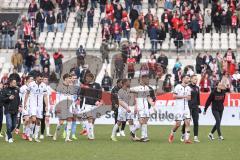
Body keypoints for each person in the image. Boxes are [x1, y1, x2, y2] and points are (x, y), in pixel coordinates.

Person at [130, 75, 156, 142]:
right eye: (147, 79)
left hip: (146, 107)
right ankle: (133, 132)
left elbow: (148, 97)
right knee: (141, 121)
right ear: (142, 79)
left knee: (145, 121)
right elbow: (134, 97)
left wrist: (152, 104)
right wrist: (135, 107)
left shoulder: (147, 88)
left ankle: (144, 136)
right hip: (140, 107)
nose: (148, 80)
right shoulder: (137, 88)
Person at [24, 73, 49, 142]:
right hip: (33, 105)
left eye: (42, 79)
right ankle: (29, 135)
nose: (41, 80)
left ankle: (35, 136)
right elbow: (27, 93)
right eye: (40, 79)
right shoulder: (31, 84)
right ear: (36, 78)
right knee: (33, 119)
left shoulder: (44, 85)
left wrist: (47, 105)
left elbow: (45, 96)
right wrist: (25, 103)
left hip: (40, 106)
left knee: (38, 122)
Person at [168, 74, 192, 144]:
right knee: (178, 124)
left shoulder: (188, 88)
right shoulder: (178, 86)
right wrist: (183, 96)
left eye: (189, 78)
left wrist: (188, 97)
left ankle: (187, 139)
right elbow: (174, 96)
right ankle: (172, 134)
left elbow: (189, 97)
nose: (188, 79)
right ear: (183, 79)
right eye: (187, 78)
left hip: (186, 108)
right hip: (179, 108)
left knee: (187, 123)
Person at [80, 73, 102, 140]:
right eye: (86, 78)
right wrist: (81, 104)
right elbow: (81, 95)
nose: (86, 79)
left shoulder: (97, 85)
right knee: (90, 119)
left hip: (95, 105)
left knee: (92, 120)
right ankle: (91, 135)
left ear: (91, 78)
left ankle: (89, 133)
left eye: (87, 78)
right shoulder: (85, 85)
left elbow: (100, 94)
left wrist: (98, 100)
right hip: (87, 105)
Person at [181, 75, 201, 143]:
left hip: (195, 107)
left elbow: (198, 98)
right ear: (191, 79)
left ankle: (195, 137)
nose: (196, 80)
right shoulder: (187, 87)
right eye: (195, 79)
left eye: (197, 79)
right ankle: (183, 134)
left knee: (196, 122)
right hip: (188, 107)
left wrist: (199, 106)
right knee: (187, 122)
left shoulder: (197, 88)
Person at [2, 79, 21, 143]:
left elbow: (18, 99)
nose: (15, 84)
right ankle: (10, 138)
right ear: (10, 83)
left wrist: (19, 106)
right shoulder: (5, 90)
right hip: (8, 110)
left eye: (15, 82)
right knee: (9, 125)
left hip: (15, 110)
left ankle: (7, 133)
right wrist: (8, 98)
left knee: (13, 125)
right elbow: (2, 99)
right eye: (14, 82)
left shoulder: (17, 90)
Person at [19, 75, 34, 141]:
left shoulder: (33, 87)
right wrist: (19, 105)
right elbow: (19, 97)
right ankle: (24, 133)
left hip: (31, 106)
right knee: (27, 120)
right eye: (31, 79)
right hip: (25, 106)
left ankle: (27, 135)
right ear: (27, 80)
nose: (32, 80)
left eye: (32, 79)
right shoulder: (23, 88)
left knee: (30, 121)